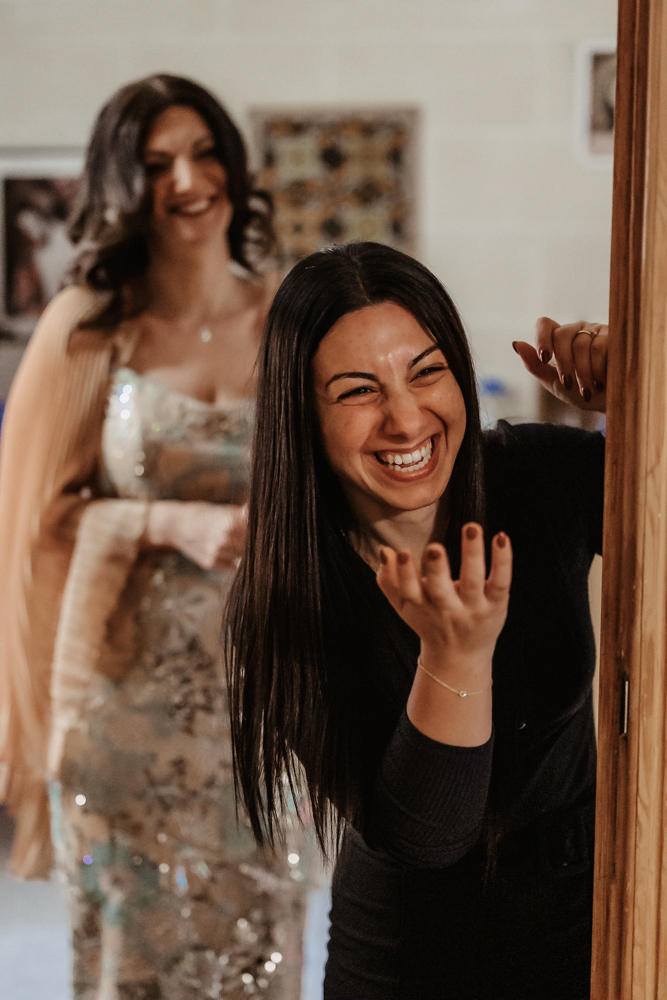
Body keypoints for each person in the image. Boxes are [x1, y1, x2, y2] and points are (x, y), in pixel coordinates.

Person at [225, 241, 607, 1000]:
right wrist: (454, 657)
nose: (405, 419)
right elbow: (429, 839)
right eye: (358, 391)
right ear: (301, 414)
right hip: (413, 966)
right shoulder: (288, 595)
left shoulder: (531, 479)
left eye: (426, 372)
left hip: (585, 934)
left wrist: (641, 400)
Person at [0, 74, 306, 1000]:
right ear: (123, 184)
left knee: (264, 958)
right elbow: (32, 521)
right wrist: (163, 518)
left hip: (262, 706)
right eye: (155, 162)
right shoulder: (89, 332)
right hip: (121, 714)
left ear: (234, 166)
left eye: (205, 151)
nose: (186, 179)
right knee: (128, 971)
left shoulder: (289, 317)